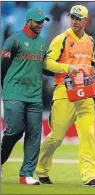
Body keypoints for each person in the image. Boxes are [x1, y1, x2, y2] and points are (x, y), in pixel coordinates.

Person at [35, 5, 95, 187]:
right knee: (56, 137)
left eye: (78, 18)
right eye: (72, 17)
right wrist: (67, 68)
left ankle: (89, 176)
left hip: (86, 94)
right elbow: (47, 62)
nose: (74, 21)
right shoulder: (61, 39)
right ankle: (41, 170)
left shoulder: (90, 41)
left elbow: (92, 62)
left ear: (85, 21)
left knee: (88, 134)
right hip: (64, 92)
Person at [0, 8, 50, 185]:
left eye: (42, 21)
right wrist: (6, 87)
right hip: (14, 92)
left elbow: (44, 68)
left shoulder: (43, 42)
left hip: (35, 95)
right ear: (28, 21)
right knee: (15, 130)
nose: (40, 24)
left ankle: (26, 175)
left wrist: (68, 70)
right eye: (37, 21)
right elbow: (2, 66)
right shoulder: (14, 40)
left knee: (34, 134)